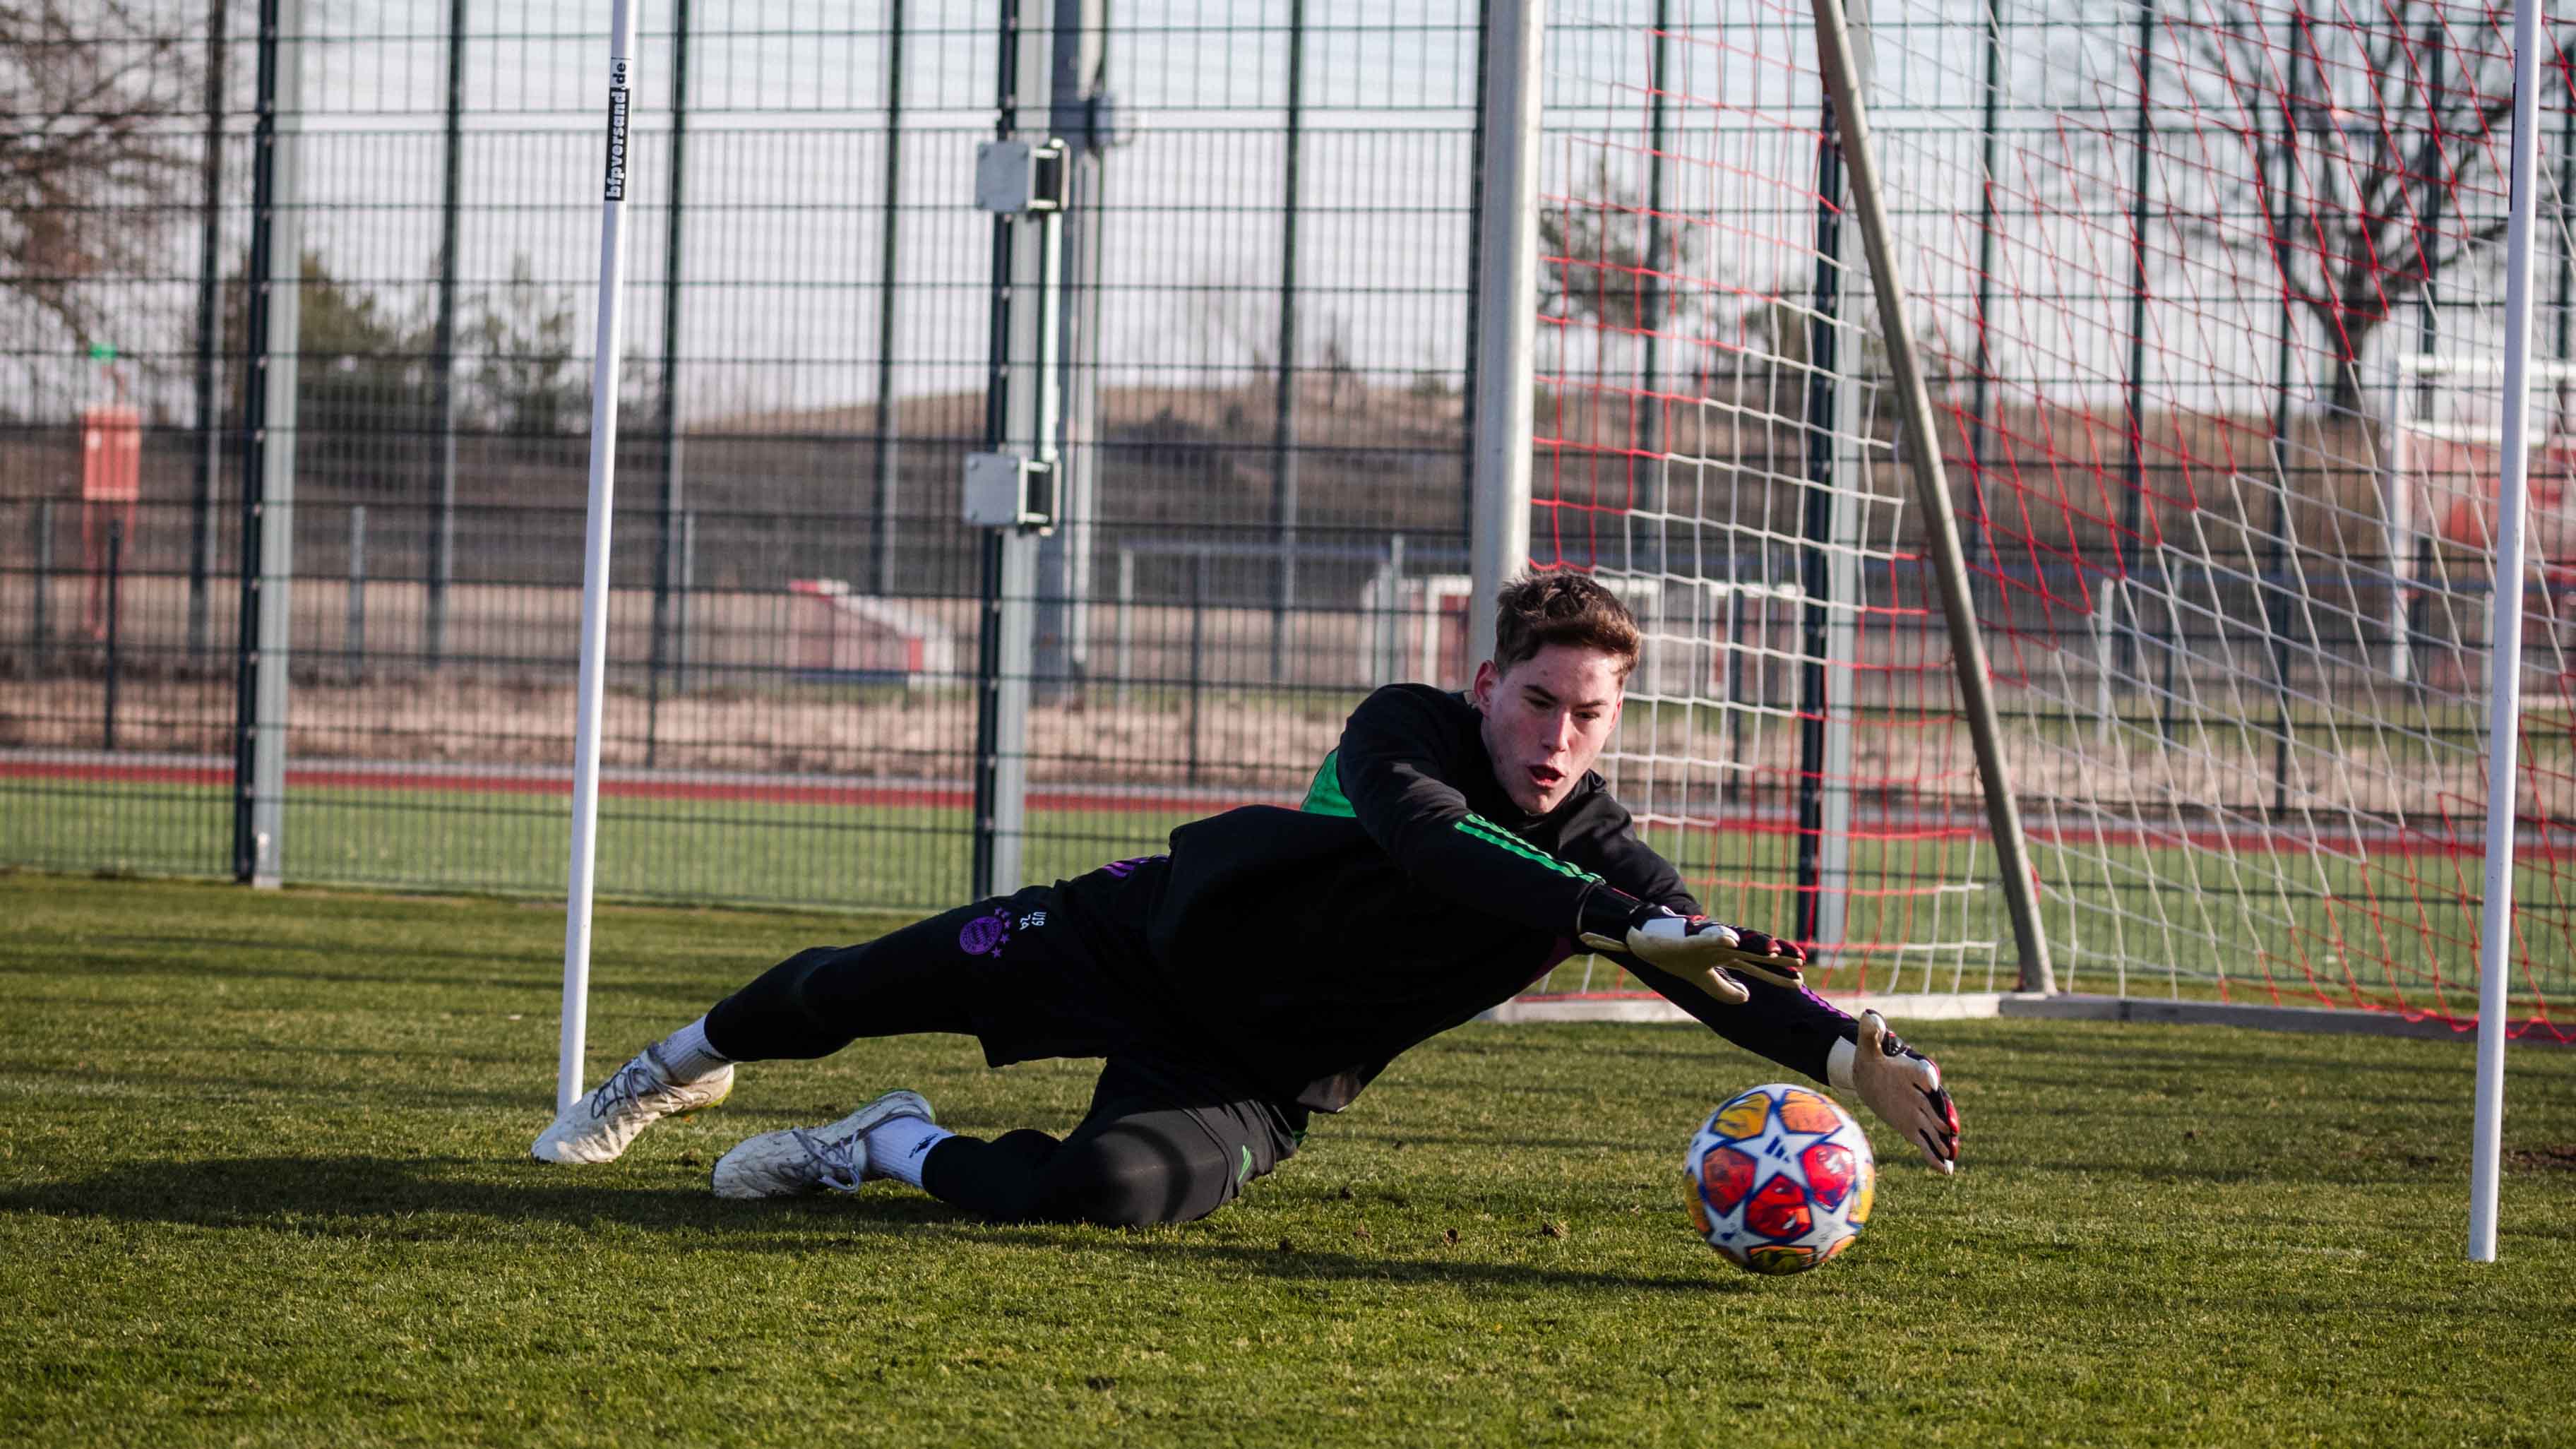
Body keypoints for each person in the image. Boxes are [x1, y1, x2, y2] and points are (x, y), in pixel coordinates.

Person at [532, 572, 1960, 1225]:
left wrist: (1839, 1047)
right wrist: (1597, 919)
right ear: (1487, 689)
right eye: (1540, 704)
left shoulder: (1608, 851)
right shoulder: (1401, 731)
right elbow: (1429, 846)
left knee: (1092, 1200)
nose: (1561, 739)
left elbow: (1703, 960)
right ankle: (662, 1073)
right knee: (842, 990)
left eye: (1592, 715)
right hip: (1134, 941)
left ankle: (885, 1148)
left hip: (1259, 1078)